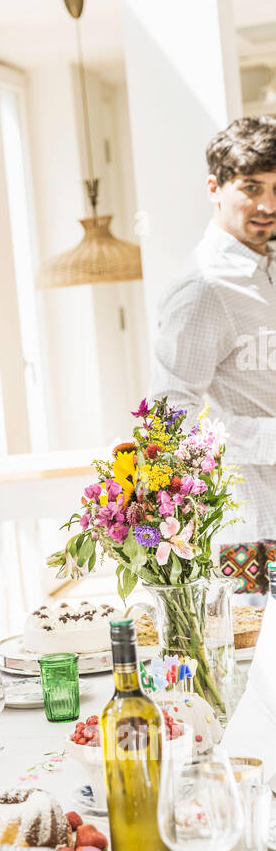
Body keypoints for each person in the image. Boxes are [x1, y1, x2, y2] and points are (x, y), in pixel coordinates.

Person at [150, 117, 276, 539]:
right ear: (214, 189)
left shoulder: (267, 266)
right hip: (256, 526)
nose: (268, 205)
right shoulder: (202, 287)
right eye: (251, 187)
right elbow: (169, 419)